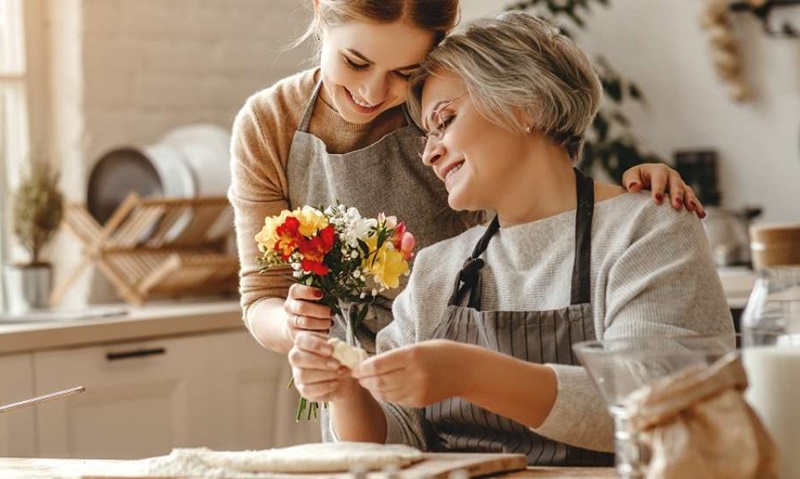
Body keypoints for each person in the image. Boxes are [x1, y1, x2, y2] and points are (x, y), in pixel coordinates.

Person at [286, 11, 734, 466]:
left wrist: (470, 372)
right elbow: (394, 440)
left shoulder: (647, 230)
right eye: (426, 133)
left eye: (445, 120)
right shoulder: (438, 269)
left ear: (525, 105)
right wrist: (346, 393)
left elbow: (655, 405)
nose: (428, 152)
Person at [230, 0, 704, 360]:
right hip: (356, 376)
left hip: (471, 358)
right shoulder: (269, 125)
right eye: (355, 62)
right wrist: (299, 327)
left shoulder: (438, 101)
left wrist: (625, 201)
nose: (373, 92)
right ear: (319, 13)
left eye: (404, 72)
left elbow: (538, 202)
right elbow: (261, 295)